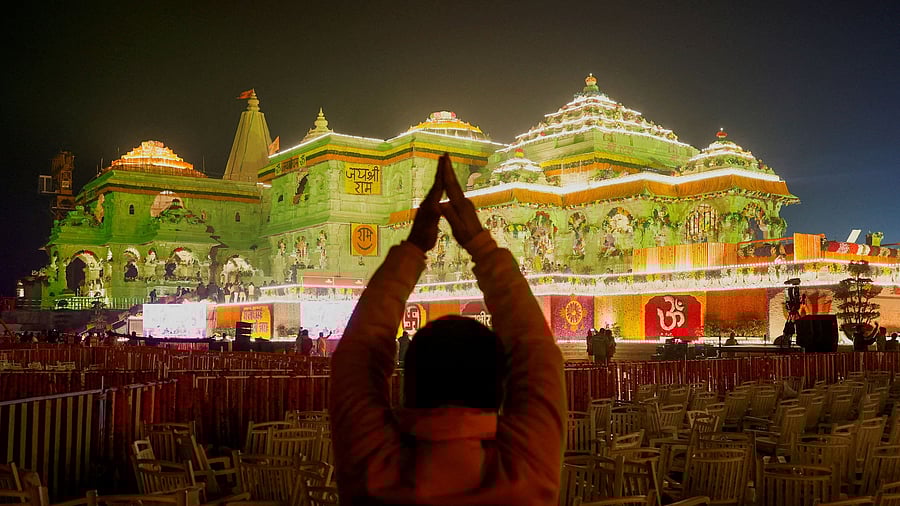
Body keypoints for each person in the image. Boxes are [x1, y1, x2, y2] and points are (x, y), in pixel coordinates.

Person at [330, 154, 566, 504]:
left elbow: (356, 358)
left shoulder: (377, 470)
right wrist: (479, 242)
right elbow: (539, 354)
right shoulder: (525, 469)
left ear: (406, 386)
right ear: (500, 386)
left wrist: (414, 246)